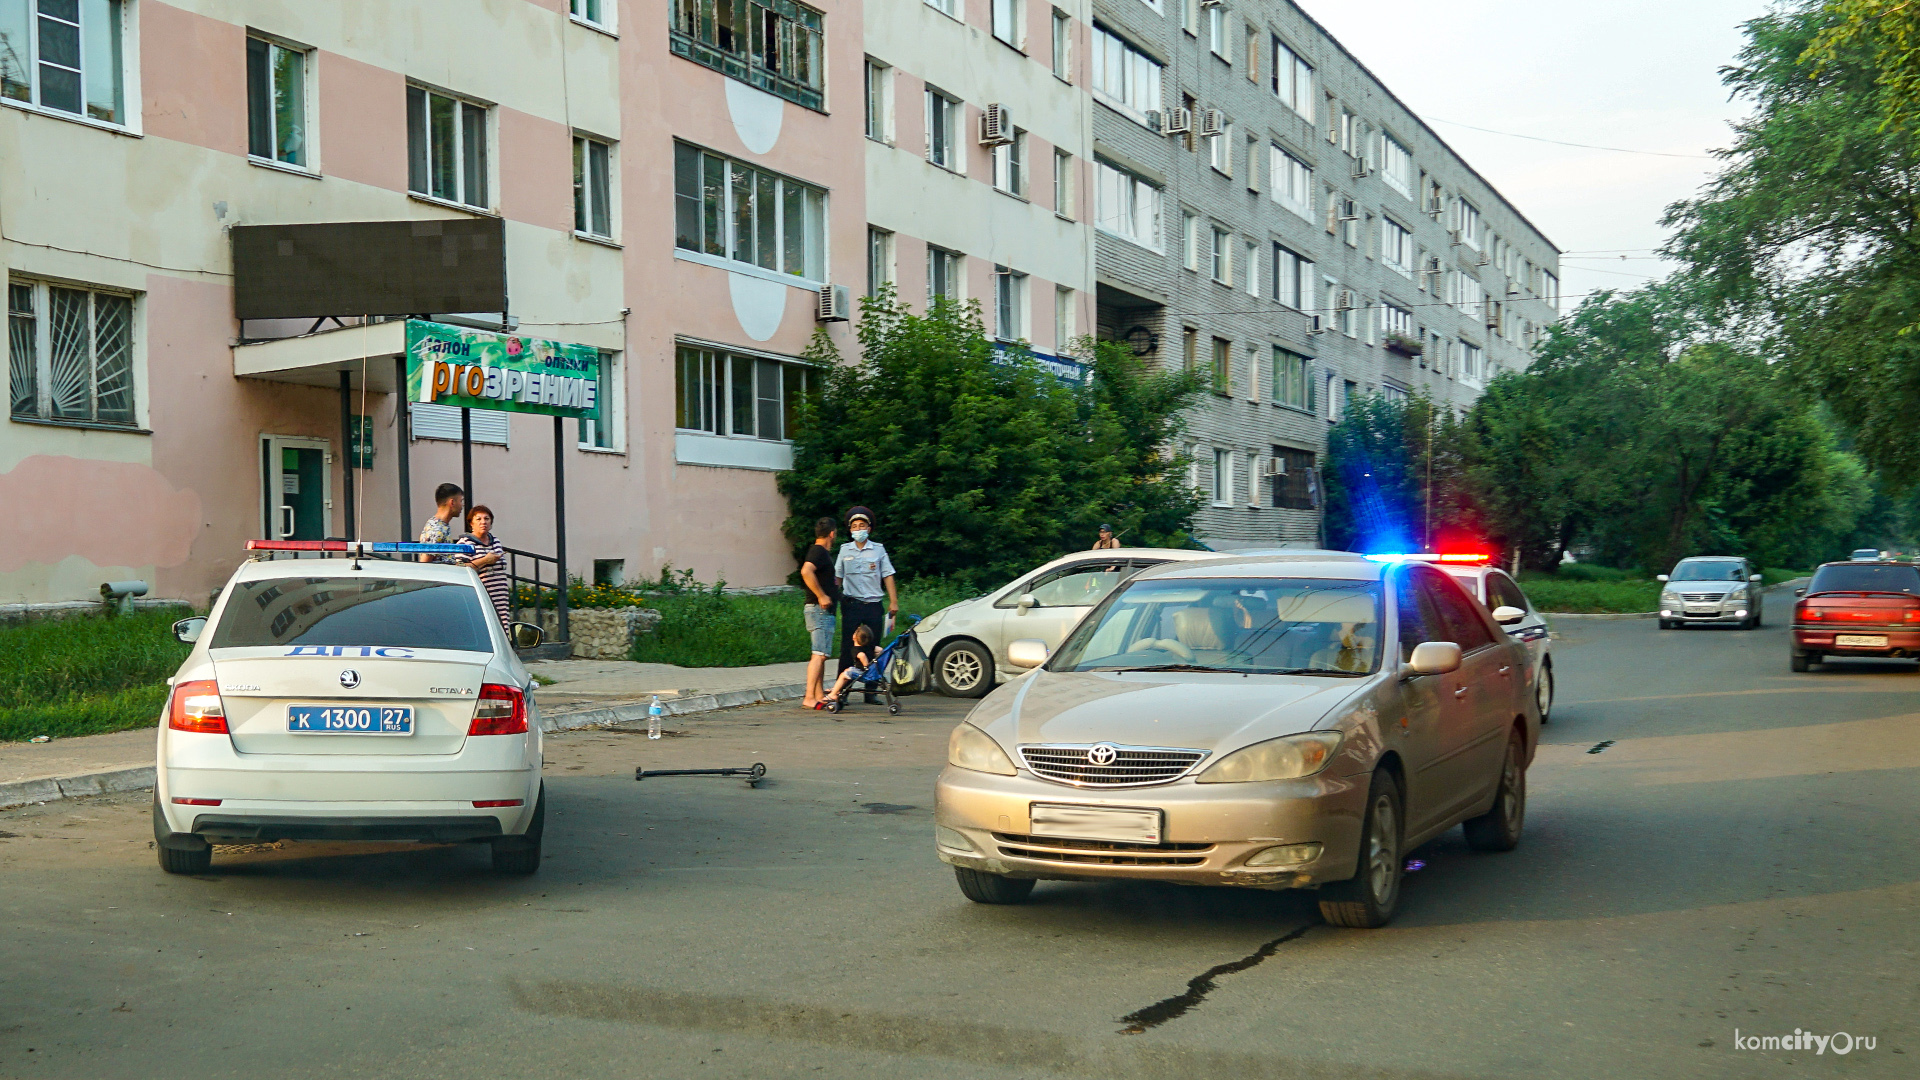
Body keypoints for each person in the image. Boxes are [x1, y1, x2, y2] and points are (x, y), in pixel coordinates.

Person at [834, 506, 897, 701]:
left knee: (873, 647)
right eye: (854, 526)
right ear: (850, 529)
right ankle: (843, 692)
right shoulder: (845, 550)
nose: (858, 529)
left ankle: (871, 691)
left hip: (873, 604)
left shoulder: (878, 549)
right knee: (848, 649)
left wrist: (893, 601)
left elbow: (887, 575)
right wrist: (834, 597)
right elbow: (837, 577)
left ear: (869, 529)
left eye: (862, 525)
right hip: (852, 604)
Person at [799, 517, 839, 709]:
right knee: (818, 654)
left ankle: (818, 694)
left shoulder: (820, 552)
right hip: (819, 609)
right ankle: (808, 697)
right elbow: (806, 571)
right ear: (832, 533)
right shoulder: (819, 552)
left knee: (822, 653)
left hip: (822, 611)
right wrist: (821, 595)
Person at [458, 505, 511, 629]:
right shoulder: (465, 543)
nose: (483, 522)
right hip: (481, 595)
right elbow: (461, 569)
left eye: (487, 519)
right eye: (478, 519)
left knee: (502, 628)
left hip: (500, 597)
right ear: (471, 523)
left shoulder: (495, 541)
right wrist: (485, 560)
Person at [824, 624, 878, 713]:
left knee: (844, 675)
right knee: (847, 671)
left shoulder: (856, 650)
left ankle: (833, 694)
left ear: (854, 637)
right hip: (867, 671)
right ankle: (836, 688)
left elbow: (862, 655)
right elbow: (880, 650)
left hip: (863, 672)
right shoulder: (870, 647)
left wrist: (866, 665)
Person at [419, 483, 465, 563]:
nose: (462, 505)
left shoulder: (439, 525)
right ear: (452, 503)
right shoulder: (436, 529)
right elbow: (425, 562)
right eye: (461, 501)